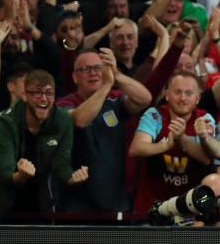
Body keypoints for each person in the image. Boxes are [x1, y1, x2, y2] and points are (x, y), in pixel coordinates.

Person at [57, 48, 151, 212]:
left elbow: (145, 99)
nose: (93, 73)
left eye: (98, 68)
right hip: (76, 204)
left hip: (115, 202)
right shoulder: (64, 104)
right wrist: (106, 85)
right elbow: (80, 120)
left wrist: (117, 75)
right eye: (85, 69)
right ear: (74, 77)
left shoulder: (115, 99)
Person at [0, 68, 88, 220]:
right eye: (37, 93)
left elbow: (61, 164)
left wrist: (71, 178)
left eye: (49, 93)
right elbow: (3, 171)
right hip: (5, 205)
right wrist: (20, 176)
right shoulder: (6, 122)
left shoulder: (62, 120)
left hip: (43, 204)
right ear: (25, 96)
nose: (44, 99)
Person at [128, 71, 215, 213]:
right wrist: (165, 145)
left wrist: (182, 139)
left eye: (188, 93)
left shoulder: (204, 119)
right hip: (151, 208)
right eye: (177, 92)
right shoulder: (154, 114)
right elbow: (136, 148)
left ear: (197, 98)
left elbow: (206, 159)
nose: (182, 98)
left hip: (191, 209)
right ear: (167, 95)